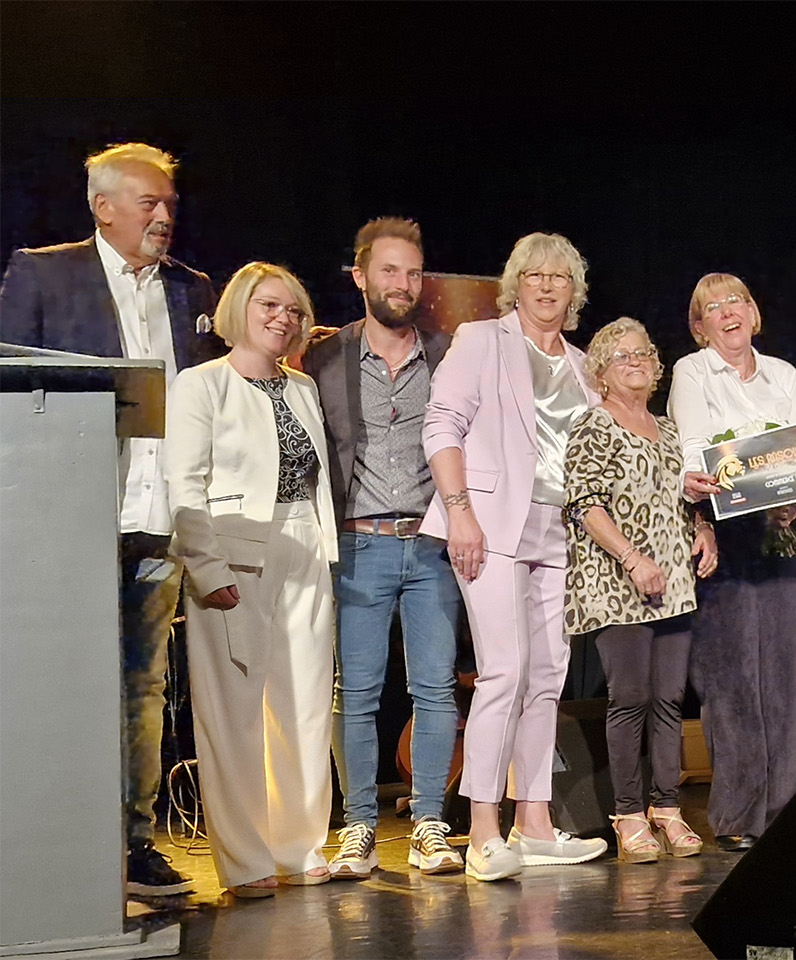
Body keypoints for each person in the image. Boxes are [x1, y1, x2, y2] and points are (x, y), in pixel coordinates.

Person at [0, 142, 221, 897]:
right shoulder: (44, 271)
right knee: (69, 683)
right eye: (148, 203)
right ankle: (58, 845)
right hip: (69, 517)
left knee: (143, 686)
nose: (163, 217)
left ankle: (133, 845)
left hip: (158, 521)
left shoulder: (191, 290)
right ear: (103, 207)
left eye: (168, 206)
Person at [422, 232, 608, 881]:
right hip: (491, 525)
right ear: (516, 283)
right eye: (536, 275)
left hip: (560, 535)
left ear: (575, 290)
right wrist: (460, 511)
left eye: (561, 276)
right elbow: (441, 424)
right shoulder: (481, 340)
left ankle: (533, 822)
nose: (548, 285)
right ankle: (481, 832)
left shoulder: (585, 365)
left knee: (548, 676)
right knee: (503, 670)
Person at [164, 262, 338, 897]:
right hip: (234, 558)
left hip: (305, 553)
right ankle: (245, 862)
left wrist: (323, 555)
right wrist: (206, 568)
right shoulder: (201, 384)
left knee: (305, 706)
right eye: (269, 305)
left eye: (293, 309)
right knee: (234, 713)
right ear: (239, 309)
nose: (282, 318)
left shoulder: (302, 387)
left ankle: (299, 846)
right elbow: (183, 484)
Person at [302, 218, 465, 879]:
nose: (403, 284)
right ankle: (359, 827)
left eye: (413, 272)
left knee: (435, 690)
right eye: (390, 271)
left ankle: (429, 823)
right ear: (360, 276)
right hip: (359, 545)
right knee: (357, 693)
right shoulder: (323, 357)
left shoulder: (450, 354)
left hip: (431, 546)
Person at [667, 273, 796, 852]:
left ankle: (792, 808)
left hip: (786, 531)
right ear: (699, 327)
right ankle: (738, 815)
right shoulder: (691, 371)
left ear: (754, 312)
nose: (727, 313)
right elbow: (696, 450)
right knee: (730, 677)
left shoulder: (783, 373)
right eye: (711, 308)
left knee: (783, 673)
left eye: (736, 302)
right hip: (725, 533)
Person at [564, 318, 718, 862]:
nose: (636, 361)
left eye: (644, 353)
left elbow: (686, 498)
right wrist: (632, 559)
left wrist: (703, 531)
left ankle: (667, 808)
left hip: (672, 582)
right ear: (600, 372)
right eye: (622, 355)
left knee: (670, 699)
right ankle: (629, 814)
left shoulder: (671, 430)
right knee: (630, 697)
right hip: (616, 582)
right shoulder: (593, 427)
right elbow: (584, 504)